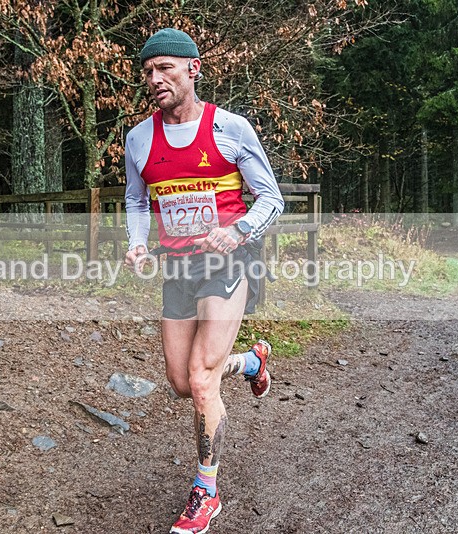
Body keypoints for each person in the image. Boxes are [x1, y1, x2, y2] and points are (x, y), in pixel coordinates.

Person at [123, 28, 284, 534]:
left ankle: (206, 490)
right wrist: (138, 241)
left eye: (165, 68)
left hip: (230, 262)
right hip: (178, 268)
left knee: (200, 379)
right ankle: (253, 360)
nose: (155, 79)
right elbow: (135, 200)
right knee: (179, 381)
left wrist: (236, 231)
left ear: (193, 69)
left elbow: (270, 199)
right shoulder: (139, 139)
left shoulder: (231, 129)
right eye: (148, 71)